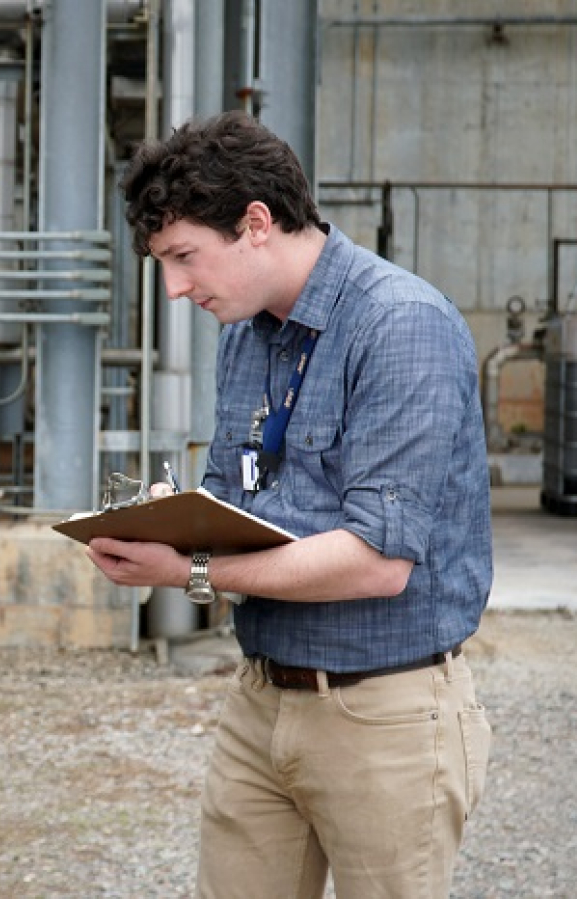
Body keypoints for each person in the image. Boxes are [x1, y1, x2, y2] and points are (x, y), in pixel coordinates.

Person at [88, 111, 493, 899]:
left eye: (183, 258)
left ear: (256, 224)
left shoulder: (400, 325)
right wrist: (176, 516)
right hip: (262, 698)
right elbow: (239, 497)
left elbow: (377, 561)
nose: (174, 288)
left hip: (385, 712)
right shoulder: (247, 333)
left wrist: (189, 567)